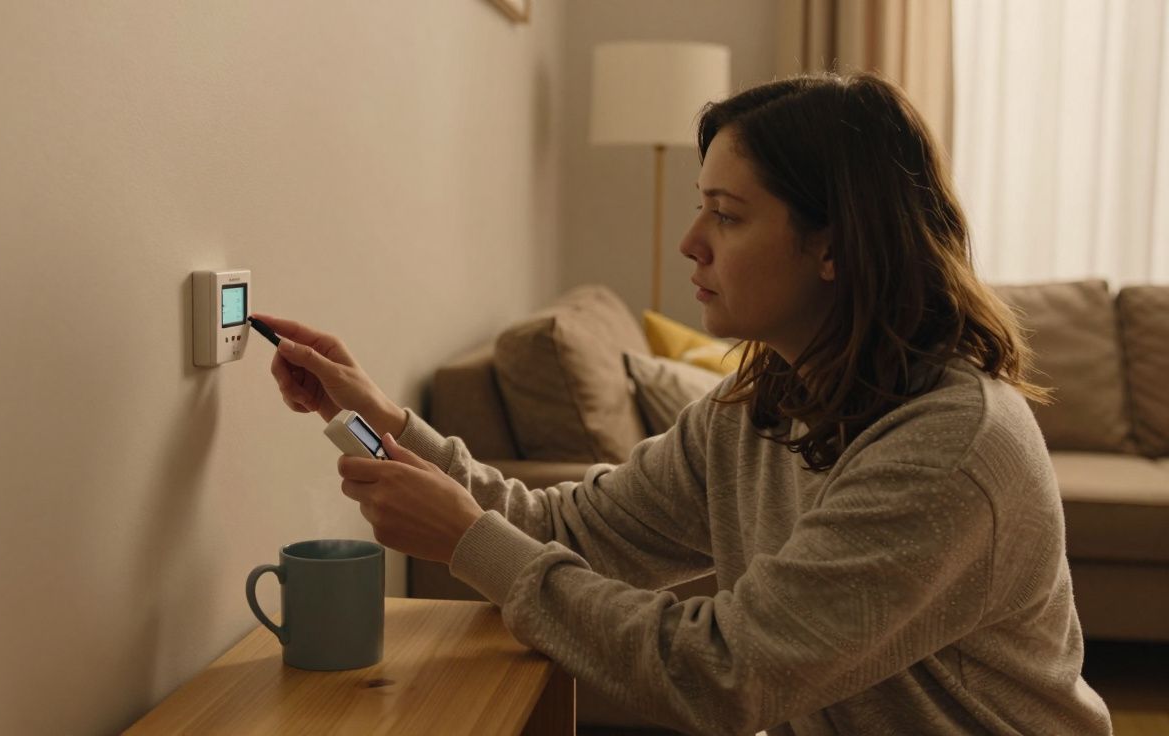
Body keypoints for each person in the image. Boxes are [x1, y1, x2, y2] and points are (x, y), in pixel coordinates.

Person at [253, 72, 1113, 735]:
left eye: (728, 216)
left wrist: (466, 541)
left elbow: (727, 672)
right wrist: (384, 420)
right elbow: (571, 533)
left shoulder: (950, 448)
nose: (689, 243)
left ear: (833, 245)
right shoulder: (761, 406)